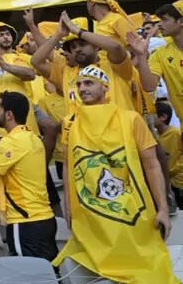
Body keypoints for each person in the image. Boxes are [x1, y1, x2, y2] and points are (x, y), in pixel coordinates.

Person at [53, 66, 176, 283]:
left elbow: (152, 165)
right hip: (92, 215)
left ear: (105, 87)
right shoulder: (69, 123)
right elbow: (69, 166)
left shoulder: (131, 119)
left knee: (145, 269)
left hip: (131, 210)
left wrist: (163, 208)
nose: (82, 88)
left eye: (89, 83)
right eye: (79, 84)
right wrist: (69, 208)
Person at [0, 91, 57, 261]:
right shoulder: (33, 138)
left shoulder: (12, 142)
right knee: (47, 271)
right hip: (45, 219)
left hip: (24, 222)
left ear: (9, 114)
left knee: (26, 272)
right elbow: (17, 158)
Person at [31, 11, 134, 115]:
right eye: (73, 47)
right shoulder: (66, 73)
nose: (77, 49)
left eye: (82, 44)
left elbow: (116, 48)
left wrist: (78, 31)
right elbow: (36, 61)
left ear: (95, 45)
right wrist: (58, 35)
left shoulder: (114, 66)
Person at [131, 1, 183, 118]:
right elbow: (149, 86)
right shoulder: (159, 54)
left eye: (164, 20)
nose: (159, 24)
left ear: (181, 21)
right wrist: (141, 55)